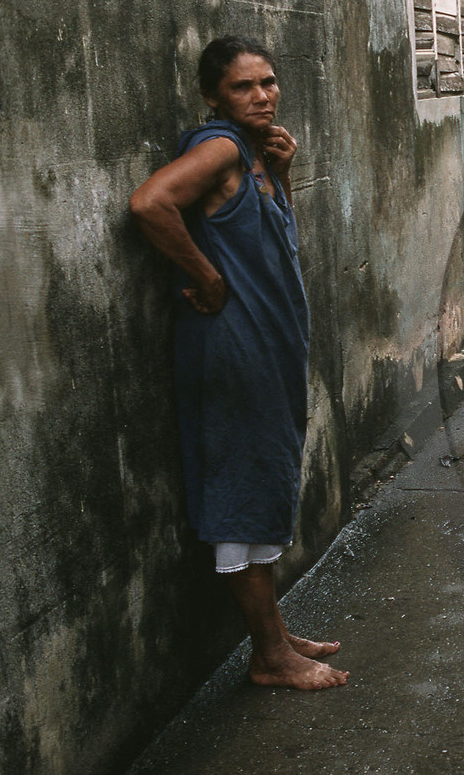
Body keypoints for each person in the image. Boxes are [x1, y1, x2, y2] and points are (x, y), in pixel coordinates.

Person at [130, 35, 348, 690]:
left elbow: (270, 243)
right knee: (242, 496)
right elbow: (149, 203)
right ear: (213, 96)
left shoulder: (257, 155)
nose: (262, 96)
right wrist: (207, 276)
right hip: (232, 352)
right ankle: (270, 657)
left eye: (268, 83)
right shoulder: (220, 148)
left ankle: (274, 634)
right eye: (243, 87)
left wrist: (281, 175)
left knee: (264, 484)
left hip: (267, 354)